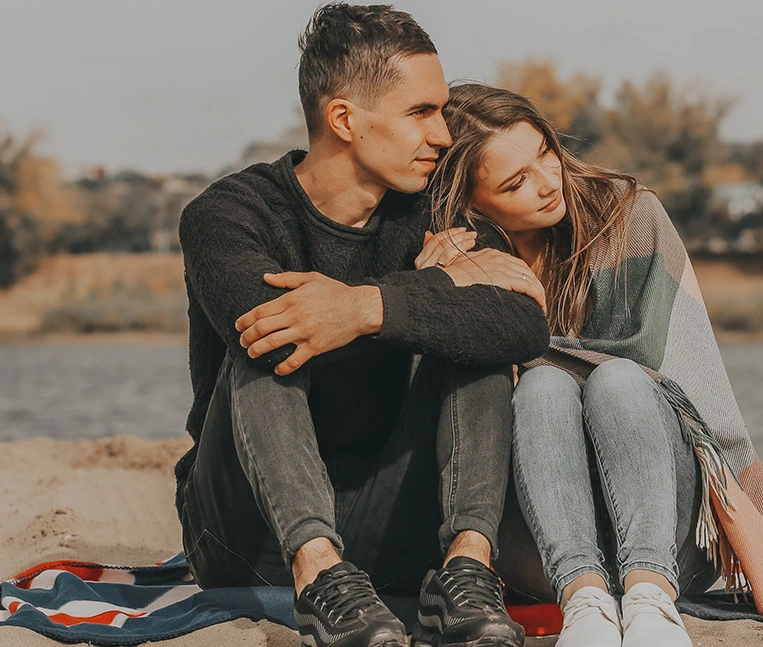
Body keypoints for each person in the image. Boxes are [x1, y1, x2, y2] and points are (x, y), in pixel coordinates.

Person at [174, 7, 550, 647]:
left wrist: (363, 308)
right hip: (247, 532)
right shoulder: (228, 214)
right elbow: (270, 329)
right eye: (421, 113)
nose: (443, 135)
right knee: (266, 340)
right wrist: (434, 289)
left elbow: (521, 322)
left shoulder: (437, 213)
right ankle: (320, 573)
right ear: (344, 119)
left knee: (476, 345)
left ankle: (465, 575)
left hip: (390, 528)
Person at [424, 83, 763, 647]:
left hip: (668, 534)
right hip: (539, 548)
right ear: (472, 204)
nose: (549, 183)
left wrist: (523, 339)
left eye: (545, 153)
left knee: (617, 378)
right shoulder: (460, 258)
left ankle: (650, 600)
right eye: (515, 182)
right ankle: (586, 602)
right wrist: (446, 289)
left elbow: (667, 373)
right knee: (543, 387)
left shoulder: (631, 216)